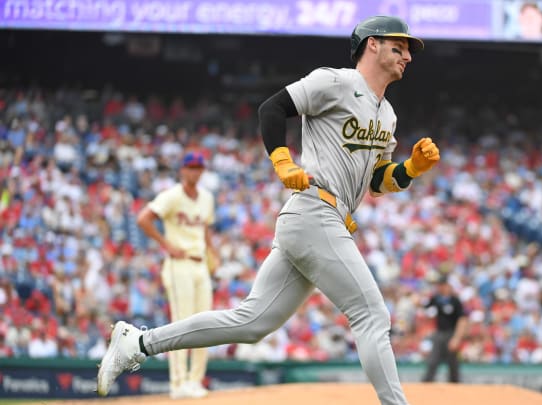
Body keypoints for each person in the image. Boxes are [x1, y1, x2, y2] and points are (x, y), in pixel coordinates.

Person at [96, 15, 439, 405]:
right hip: (315, 211)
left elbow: (378, 181)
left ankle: (138, 342)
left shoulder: (387, 114)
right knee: (372, 315)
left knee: (253, 322)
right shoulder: (336, 81)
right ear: (372, 44)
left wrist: (410, 169)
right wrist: (282, 161)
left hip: (319, 219)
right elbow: (271, 109)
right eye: (400, 46)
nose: (408, 55)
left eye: (409, 49)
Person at [135, 151, 218, 399]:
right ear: (182, 170)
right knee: (182, 324)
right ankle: (178, 383)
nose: (194, 171)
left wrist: (212, 251)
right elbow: (144, 219)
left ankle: (195, 381)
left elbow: (204, 227)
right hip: (178, 263)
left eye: (198, 167)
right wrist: (166, 245)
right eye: (190, 167)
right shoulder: (171, 196)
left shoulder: (206, 197)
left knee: (207, 322)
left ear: (202, 171)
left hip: (200, 263)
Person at [421, 274, 468, 383]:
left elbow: (462, 320)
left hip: (451, 334)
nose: (440, 287)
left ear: (448, 286)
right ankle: (425, 387)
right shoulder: (436, 299)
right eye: (439, 285)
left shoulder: (455, 301)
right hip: (439, 334)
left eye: (443, 285)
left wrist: (456, 338)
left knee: (453, 364)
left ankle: (455, 388)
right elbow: (424, 307)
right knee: (433, 361)